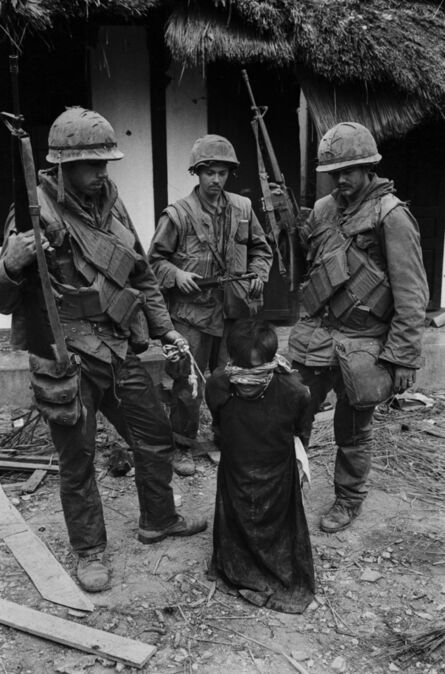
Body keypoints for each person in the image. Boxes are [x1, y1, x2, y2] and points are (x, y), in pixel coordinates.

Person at [0, 107, 207, 592]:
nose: (101, 173)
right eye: (92, 165)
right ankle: (89, 550)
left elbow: (142, 275)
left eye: (106, 163)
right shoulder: (34, 210)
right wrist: (10, 265)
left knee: (155, 436)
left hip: (118, 347)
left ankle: (159, 518)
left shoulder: (112, 205)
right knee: (78, 460)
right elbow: (5, 299)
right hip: (65, 353)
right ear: (63, 165)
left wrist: (166, 331)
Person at [289, 121, 429, 534]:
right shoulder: (324, 209)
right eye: (335, 173)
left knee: (352, 429)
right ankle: (286, 487)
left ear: (370, 167)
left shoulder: (392, 216)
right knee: (294, 413)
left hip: (364, 342)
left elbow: (411, 293)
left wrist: (402, 356)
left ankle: (348, 499)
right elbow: (315, 266)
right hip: (319, 335)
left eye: (349, 171)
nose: (341, 180)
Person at [148, 134, 273, 476]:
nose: (216, 180)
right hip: (192, 313)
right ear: (197, 173)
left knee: (230, 379)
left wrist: (259, 272)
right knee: (187, 383)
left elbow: (262, 249)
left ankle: (224, 434)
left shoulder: (243, 210)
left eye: (222, 172)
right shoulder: (178, 216)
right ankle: (182, 446)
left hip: (234, 311)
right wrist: (175, 274)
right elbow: (152, 263)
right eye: (209, 172)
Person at [205, 318, 315, 613]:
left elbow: (301, 433)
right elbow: (219, 426)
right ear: (232, 362)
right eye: (242, 370)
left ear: (270, 362)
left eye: (256, 371)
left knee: (271, 519)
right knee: (239, 515)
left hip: (276, 470)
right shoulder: (219, 384)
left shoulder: (293, 390)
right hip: (237, 466)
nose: (248, 380)